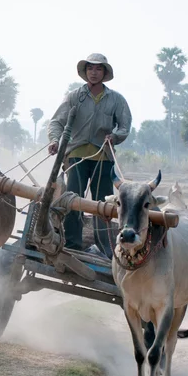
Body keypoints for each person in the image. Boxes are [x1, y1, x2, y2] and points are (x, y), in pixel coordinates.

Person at [47, 53, 132, 259]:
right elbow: (57, 122)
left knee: (103, 205)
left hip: (103, 156)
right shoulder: (75, 96)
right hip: (76, 155)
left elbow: (125, 125)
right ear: (85, 72)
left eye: (98, 69)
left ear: (104, 73)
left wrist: (115, 136)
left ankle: (105, 247)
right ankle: (73, 244)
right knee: (73, 199)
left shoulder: (116, 99)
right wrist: (54, 140)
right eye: (90, 69)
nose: (94, 73)